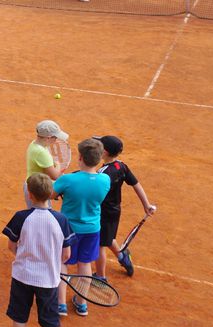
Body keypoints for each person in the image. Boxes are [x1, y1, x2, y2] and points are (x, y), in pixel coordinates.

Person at [2, 173, 72, 327]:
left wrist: (24, 256)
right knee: (49, 321)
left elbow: (11, 246)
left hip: (22, 276)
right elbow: (66, 256)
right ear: (51, 194)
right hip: (49, 281)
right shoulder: (61, 220)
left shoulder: (20, 217)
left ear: (30, 195)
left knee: (19, 316)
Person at [52, 138, 111, 317]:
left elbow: (51, 194)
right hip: (92, 229)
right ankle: (81, 303)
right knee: (85, 264)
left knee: (62, 262)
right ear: (100, 159)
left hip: (68, 229)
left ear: (80, 158)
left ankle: (60, 304)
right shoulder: (105, 180)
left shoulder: (68, 180)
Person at [93, 135, 156, 281]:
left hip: (102, 213)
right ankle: (122, 256)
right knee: (108, 238)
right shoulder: (121, 166)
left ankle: (100, 277)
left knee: (100, 245)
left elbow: (94, 192)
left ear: (105, 152)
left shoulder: (103, 174)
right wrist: (146, 204)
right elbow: (136, 185)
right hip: (115, 211)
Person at [25, 120, 69, 207]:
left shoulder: (34, 144)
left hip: (34, 186)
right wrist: (58, 165)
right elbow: (55, 175)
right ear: (48, 138)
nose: (56, 139)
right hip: (37, 190)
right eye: (55, 137)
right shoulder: (41, 152)